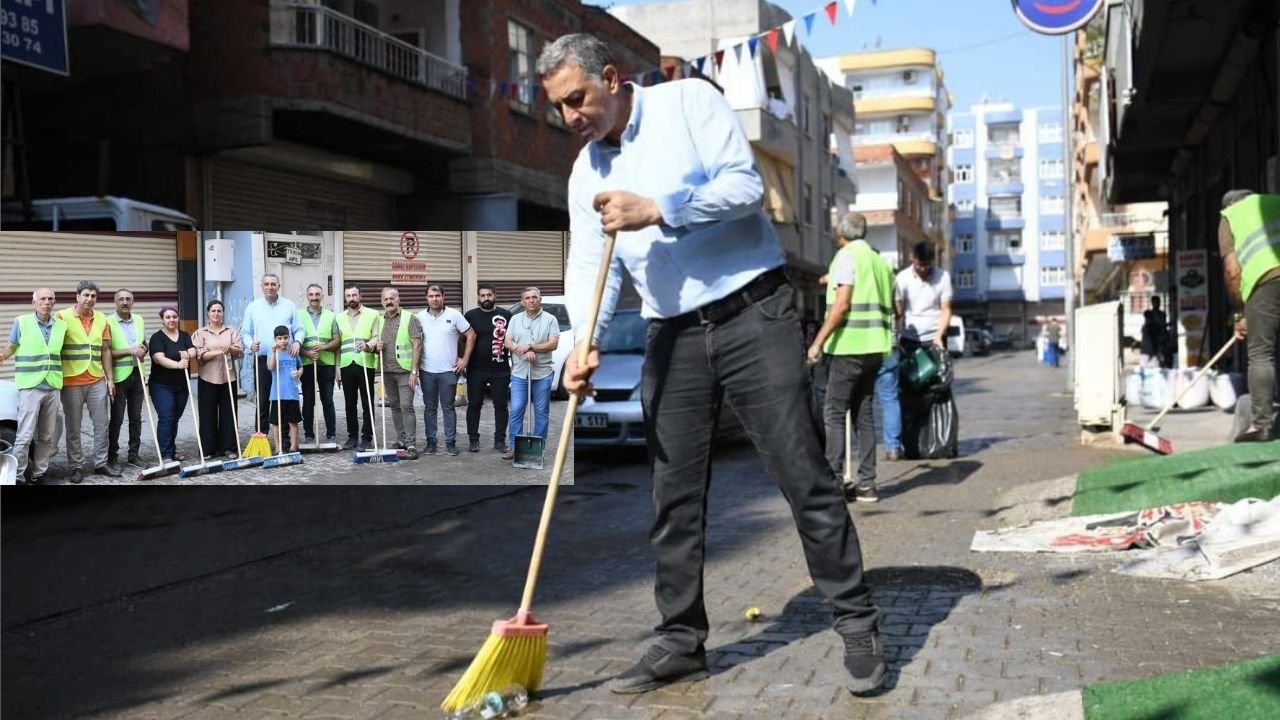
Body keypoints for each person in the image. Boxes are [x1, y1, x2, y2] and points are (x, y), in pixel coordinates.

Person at [540, 33, 884, 695]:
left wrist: (658, 210)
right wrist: (576, 345)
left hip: (753, 311)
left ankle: (857, 620)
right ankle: (680, 642)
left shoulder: (689, 103)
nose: (570, 117)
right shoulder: (587, 172)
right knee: (672, 495)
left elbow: (745, 188)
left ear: (610, 78)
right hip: (670, 333)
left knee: (800, 470)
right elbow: (588, 270)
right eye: (558, 108)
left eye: (577, 99)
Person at [806, 212, 896, 503]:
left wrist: (817, 343)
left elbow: (842, 305)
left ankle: (833, 480)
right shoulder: (880, 262)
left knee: (833, 412)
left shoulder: (846, 256)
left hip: (848, 346)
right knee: (864, 415)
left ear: (840, 233)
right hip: (875, 348)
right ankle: (867, 484)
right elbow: (889, 303)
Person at [1219, 189, 1280, 442]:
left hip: (1265, 281)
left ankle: (1263, 425)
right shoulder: (1275, 202)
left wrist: (1240, 313)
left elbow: (1233, 271)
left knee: (1261, 354)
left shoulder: (1229, 216)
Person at [1, 288, 67, 484]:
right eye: (42, 299)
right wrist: (3, 356)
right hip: (30, 386)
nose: (46, 302)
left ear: (54, 302)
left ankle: (39, 474)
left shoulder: (61, 326)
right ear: (34, 302)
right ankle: (18, 477)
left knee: (46, 436)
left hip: (53, 384)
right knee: (24, 435)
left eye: (50, 299)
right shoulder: (21, 322)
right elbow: (12, 345)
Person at [57, 280, 118, 482]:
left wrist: (110, 379)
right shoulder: (62, 317)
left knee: (102, 424)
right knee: (73, 427)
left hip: (96, 380)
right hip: (71, 381)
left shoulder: (102, 319)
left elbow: (105, 350)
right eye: (86, 295)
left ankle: (100, 463)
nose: (89, 299)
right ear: (77, 296)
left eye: (93, 296)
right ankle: (75, 466)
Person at [240, 274, 302, 446]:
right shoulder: (253, 307)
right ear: (261, 286)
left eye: (273, 284)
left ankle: (284, 441)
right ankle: (262, 441)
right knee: (263, 400)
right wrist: (249, 344)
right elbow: (245, 332)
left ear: (279, 286)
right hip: (263, 360)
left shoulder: (289, 306)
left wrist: (297, 341)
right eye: (266, 284)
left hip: (285, 360)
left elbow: (299, 329)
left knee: (283, 399)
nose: (270, 287)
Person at [416, 284, 474, 456]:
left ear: (443, 296)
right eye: (431, 296)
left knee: (448, 407)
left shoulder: (454, 315)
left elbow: (471, 335)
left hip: (449, 371)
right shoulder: (419, 317)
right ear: (426, 298)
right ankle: (431, 442)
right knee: (429, 408)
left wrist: (465, 360)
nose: (434, 299)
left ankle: (450, 442)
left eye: (437, 296)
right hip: (426, 371)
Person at [502, 287, 559, 461]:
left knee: (541, 412)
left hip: (542, 374)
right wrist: (522, 350)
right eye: (527, 298)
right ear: (522, 301)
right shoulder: (515, 319)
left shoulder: (550, 319)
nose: (531, 300)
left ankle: (537, 447)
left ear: (540, 299)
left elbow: (553, 344)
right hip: (520, 374)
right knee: (517, 409)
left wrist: (532, 346)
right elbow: (507, 341)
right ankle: (514, 446)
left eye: (535, 297)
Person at [464, 284, 513, 453]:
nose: (486, 298)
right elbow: (463, 340)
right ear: (478, 297)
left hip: (501, 369)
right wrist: (463, 359)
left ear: (495, 295)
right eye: (483, 295)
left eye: (489, 295)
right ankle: (473, 439)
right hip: (476, 369)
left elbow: (512, 339)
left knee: (501, 406)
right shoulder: (470, 316)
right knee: (474, 404)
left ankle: (500, 440)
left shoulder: (506, 315)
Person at [192, 299, 244, 459]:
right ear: (208, 313)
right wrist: (220, 351)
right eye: (213, 310)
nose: (216, 313)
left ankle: (228, 447)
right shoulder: (200, 333)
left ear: (223, 313)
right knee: (207, 414)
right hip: (207, 377)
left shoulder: (231, 331)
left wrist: (231, 349)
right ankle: (207, 449)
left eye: (219, 311)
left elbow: (239, 351)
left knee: (229, 413)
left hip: (229, 377)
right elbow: (200, 355)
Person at [374, 287, 422, 459]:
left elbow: (417, 345)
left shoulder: (410, 318)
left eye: (392, 298)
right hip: (387, 372)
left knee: (406, 406)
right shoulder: (379, 321)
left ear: (398, 299)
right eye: (386, 299)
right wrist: (375, 346)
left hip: (405, 372)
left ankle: (411, 444)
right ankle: (401, 440)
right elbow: (374, 343)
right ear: (382, 302)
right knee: (394, 406)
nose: (389, 301)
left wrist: (414, 371)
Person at [106, 288, 148, 468]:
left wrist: (143, 350)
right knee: (117, 418)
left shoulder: (139, 319)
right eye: (121, 299)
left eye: (128, 299)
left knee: (136, 418)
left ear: (133, 302)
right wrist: (130, 351)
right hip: (119, 377)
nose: (125, 302)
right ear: (115, 302)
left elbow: (143, 344)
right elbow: (107, 352)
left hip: (137, 374)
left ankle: (134, 455)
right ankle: (112, 457)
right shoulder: (107, 321)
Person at [148, 306, 196, 464]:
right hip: (162, 385)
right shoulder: (157, 338)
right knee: (166, 417)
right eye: (168, 317)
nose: (171, 320)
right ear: (162, 319)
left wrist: (189, 354)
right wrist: (178, 365)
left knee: (175, 418)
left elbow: (193, 350)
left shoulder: (184, 335)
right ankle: (165, 455)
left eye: (174, 317)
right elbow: (158, 358)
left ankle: (172, 449)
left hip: (182, 385)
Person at [337, 285, 380, 451]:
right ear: (345, 298)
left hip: (365, 363)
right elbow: (338, 344)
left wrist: (368, 345)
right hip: (347, 364)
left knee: (367, 403)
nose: (351, 298)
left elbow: (377, 336)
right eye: (348, 295)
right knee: (349, 403)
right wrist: (338, 369)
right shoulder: (339, 317)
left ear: (360, 296)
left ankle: (367, 437)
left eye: (354, 294)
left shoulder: (372, 314)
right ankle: (352, 436)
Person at [299, 283, 340, 446]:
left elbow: (337, 340)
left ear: (322, 296)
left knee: (328, 400)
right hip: (307, 364)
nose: (314, 297)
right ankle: (309, 434)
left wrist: (324, 347)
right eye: (311, 294)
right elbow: (295, 341)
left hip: (326, 364)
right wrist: (307, 353)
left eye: (317, 294)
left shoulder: (331, 316)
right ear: (307, 296)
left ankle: (331, 434)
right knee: (308, 401)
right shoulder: (299, 315)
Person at [267, 326, 303, 454]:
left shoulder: (293, 351)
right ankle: (278, 447)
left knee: (293, 421)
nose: (283, 341)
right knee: (276, 422)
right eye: (280, 338)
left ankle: (294, 447)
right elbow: (270, 367)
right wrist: (273, 352)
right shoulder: (273, 353)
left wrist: (299, 372)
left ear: (289, 337)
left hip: (292, 393)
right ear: (275, 339)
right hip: (277, 393)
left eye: (285, 337)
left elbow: (300, 366)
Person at [1140, 296, 1169, 368]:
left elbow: (1163, 327)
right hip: (1150, 346)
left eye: (1158, 302)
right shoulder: (1149, 315)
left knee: (1158, 364)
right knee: (1146, 364)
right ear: (1152, 303)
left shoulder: (1162, 314)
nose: (1156, 304)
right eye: (1155, 302)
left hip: (1159, 344)